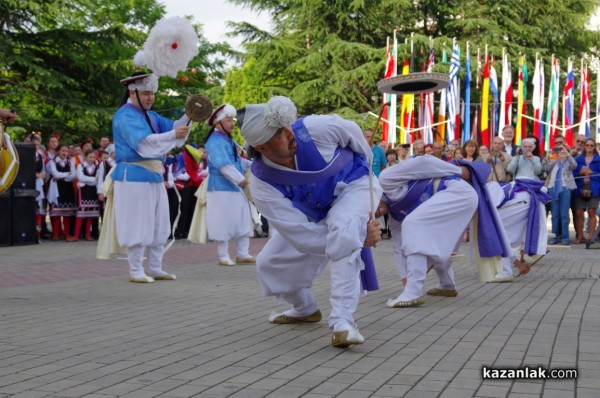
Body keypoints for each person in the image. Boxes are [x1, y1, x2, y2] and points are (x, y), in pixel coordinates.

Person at [238, 96, 382, 348]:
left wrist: (353, 234)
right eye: (279, 133)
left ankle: (342, 322)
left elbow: (357, 140)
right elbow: (301, 234)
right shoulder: (261, 183)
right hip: (312, 214)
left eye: (287, 126)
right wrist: (360, 239)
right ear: (260, 146)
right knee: (269, 263)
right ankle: (305, 308)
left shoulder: (317, 128)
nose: (289, 132)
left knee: (342, 228)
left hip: (355, 187)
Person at [104, 71, 191, 283]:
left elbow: (175, 127)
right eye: (145, 93)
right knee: (137, 223)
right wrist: (172, 135)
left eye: (152, 93)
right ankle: (135, 270)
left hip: (153, 176)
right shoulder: (124, 115)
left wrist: (190, 113)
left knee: (159, 224)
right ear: (132, 92)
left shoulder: (150, 116)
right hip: (132, 176)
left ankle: (155, 267)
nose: (150, 97)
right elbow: (144, 144)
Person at [377, 155, 478, 307]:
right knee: (437, 246)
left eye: (368, 208)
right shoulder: (395, 216)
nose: (373, 214)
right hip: (460, 200)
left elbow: (424, 161)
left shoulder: (386, 179)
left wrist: (457, 170)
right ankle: (447, 286)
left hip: (457, 192)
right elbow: (399, 247)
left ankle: (413, 293)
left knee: (412, 224)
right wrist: (405, 278)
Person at [204, 104, 255, 266]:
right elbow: (223, 165)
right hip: (221, 187)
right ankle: (223, 256)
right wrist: (242, 179)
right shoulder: (215, 141)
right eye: (228, 120)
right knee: (223, 220)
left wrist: (253, 165)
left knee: (243, 219)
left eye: (232, 120)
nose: (232, 123)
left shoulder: (227, 140)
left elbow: (237, 161)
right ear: (218, 123)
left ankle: (243, 253)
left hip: (234, 187)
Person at [544, 143, 576, 245]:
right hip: (553, 188)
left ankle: (565, 237)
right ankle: (554, 237)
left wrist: (568, 154)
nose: (561, 152)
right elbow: (545, 168)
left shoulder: (569, 161)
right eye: (560, 151)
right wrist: (546, 156)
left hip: (565, 188)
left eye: (564, 150)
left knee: (564, 214)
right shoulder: (554, 161)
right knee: (554, 215)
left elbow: (574, 166)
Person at [68, 149, 100, 242]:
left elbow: (97, 180)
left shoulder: (97, 168)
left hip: (93, 192)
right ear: (85, 157)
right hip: (83, 191)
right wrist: (93, 179)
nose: (92, 159)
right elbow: (80, 178)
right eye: (90, 156)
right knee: (80, 214)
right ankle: (76, 235)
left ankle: (87, 235)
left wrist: (88, 180)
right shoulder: (80, 166)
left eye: (94, 157)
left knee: (90, 214)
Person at [47, 144, 77, 240]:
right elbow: (55, 174)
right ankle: (56, 234)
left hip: (67, 188)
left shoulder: (70, 162)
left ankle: (67, 233)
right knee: (56, 213)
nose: (65, 153)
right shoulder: (52, 162)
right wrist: (66, 174)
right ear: (57, 152)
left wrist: (62, 177)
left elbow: (73, 175)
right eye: (63, 151)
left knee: (67, 213)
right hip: (56, 188)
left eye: (66, 151)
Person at [573, 138, 600, 244]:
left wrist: (592, 172)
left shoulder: (598, 160)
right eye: (587, 145)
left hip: (594, 187)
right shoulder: (578, 159)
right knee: (579, 212)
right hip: (580, 186)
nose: (589, 147)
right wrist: (580, 172)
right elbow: (572, 173)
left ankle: (590, 238)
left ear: (595, 147)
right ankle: (580, 237)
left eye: (591, 145)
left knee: (592, 212)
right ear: (584, 146)